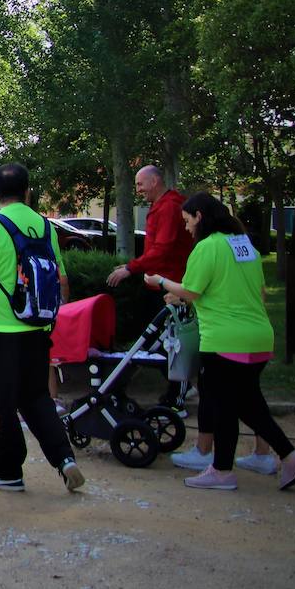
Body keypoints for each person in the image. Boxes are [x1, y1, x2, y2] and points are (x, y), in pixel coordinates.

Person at [145, 192, 295, 491]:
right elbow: (257, 292)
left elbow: (191, 291)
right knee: (247, 403)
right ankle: (287, 456)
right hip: (259, 334)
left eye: (187, 221)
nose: (186, 228)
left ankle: (225, 469)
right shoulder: (243, 244)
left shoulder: (207, 247)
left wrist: (160, 281)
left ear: (199, 216)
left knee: (225, 405)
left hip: (225, 339)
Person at [0, 162, 85, 494]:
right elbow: (61, 280)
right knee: (37, 398)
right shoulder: (46, 227)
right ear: (27, 191)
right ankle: (65, 459)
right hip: (37, 331)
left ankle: (9, 470)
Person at [108, 164, 197, 413]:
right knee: (159, 341)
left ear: (155, 181)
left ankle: (178, 395)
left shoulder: (169, 207)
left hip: (171, 287)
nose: (138, 190)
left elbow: (163, 249)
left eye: (140, 184)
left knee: (168, 342)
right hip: (164, 282)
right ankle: (182, 386)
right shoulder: (165, 205)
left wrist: (130, 268)